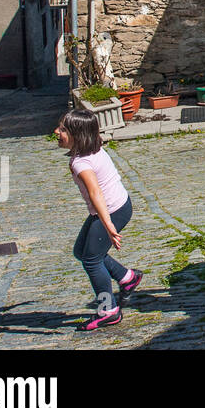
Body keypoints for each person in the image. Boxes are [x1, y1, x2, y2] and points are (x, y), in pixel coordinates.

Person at [55, 109, 143, 332]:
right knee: (81, 251)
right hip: (118, 206)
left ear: (78, 134)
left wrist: (109, 225)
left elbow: (96, 194)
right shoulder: (92, 149)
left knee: (92, 260)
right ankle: (127, 277)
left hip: (112, 211)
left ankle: (108, 310)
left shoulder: (81, 164)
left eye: (63, 130)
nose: (56, 132)